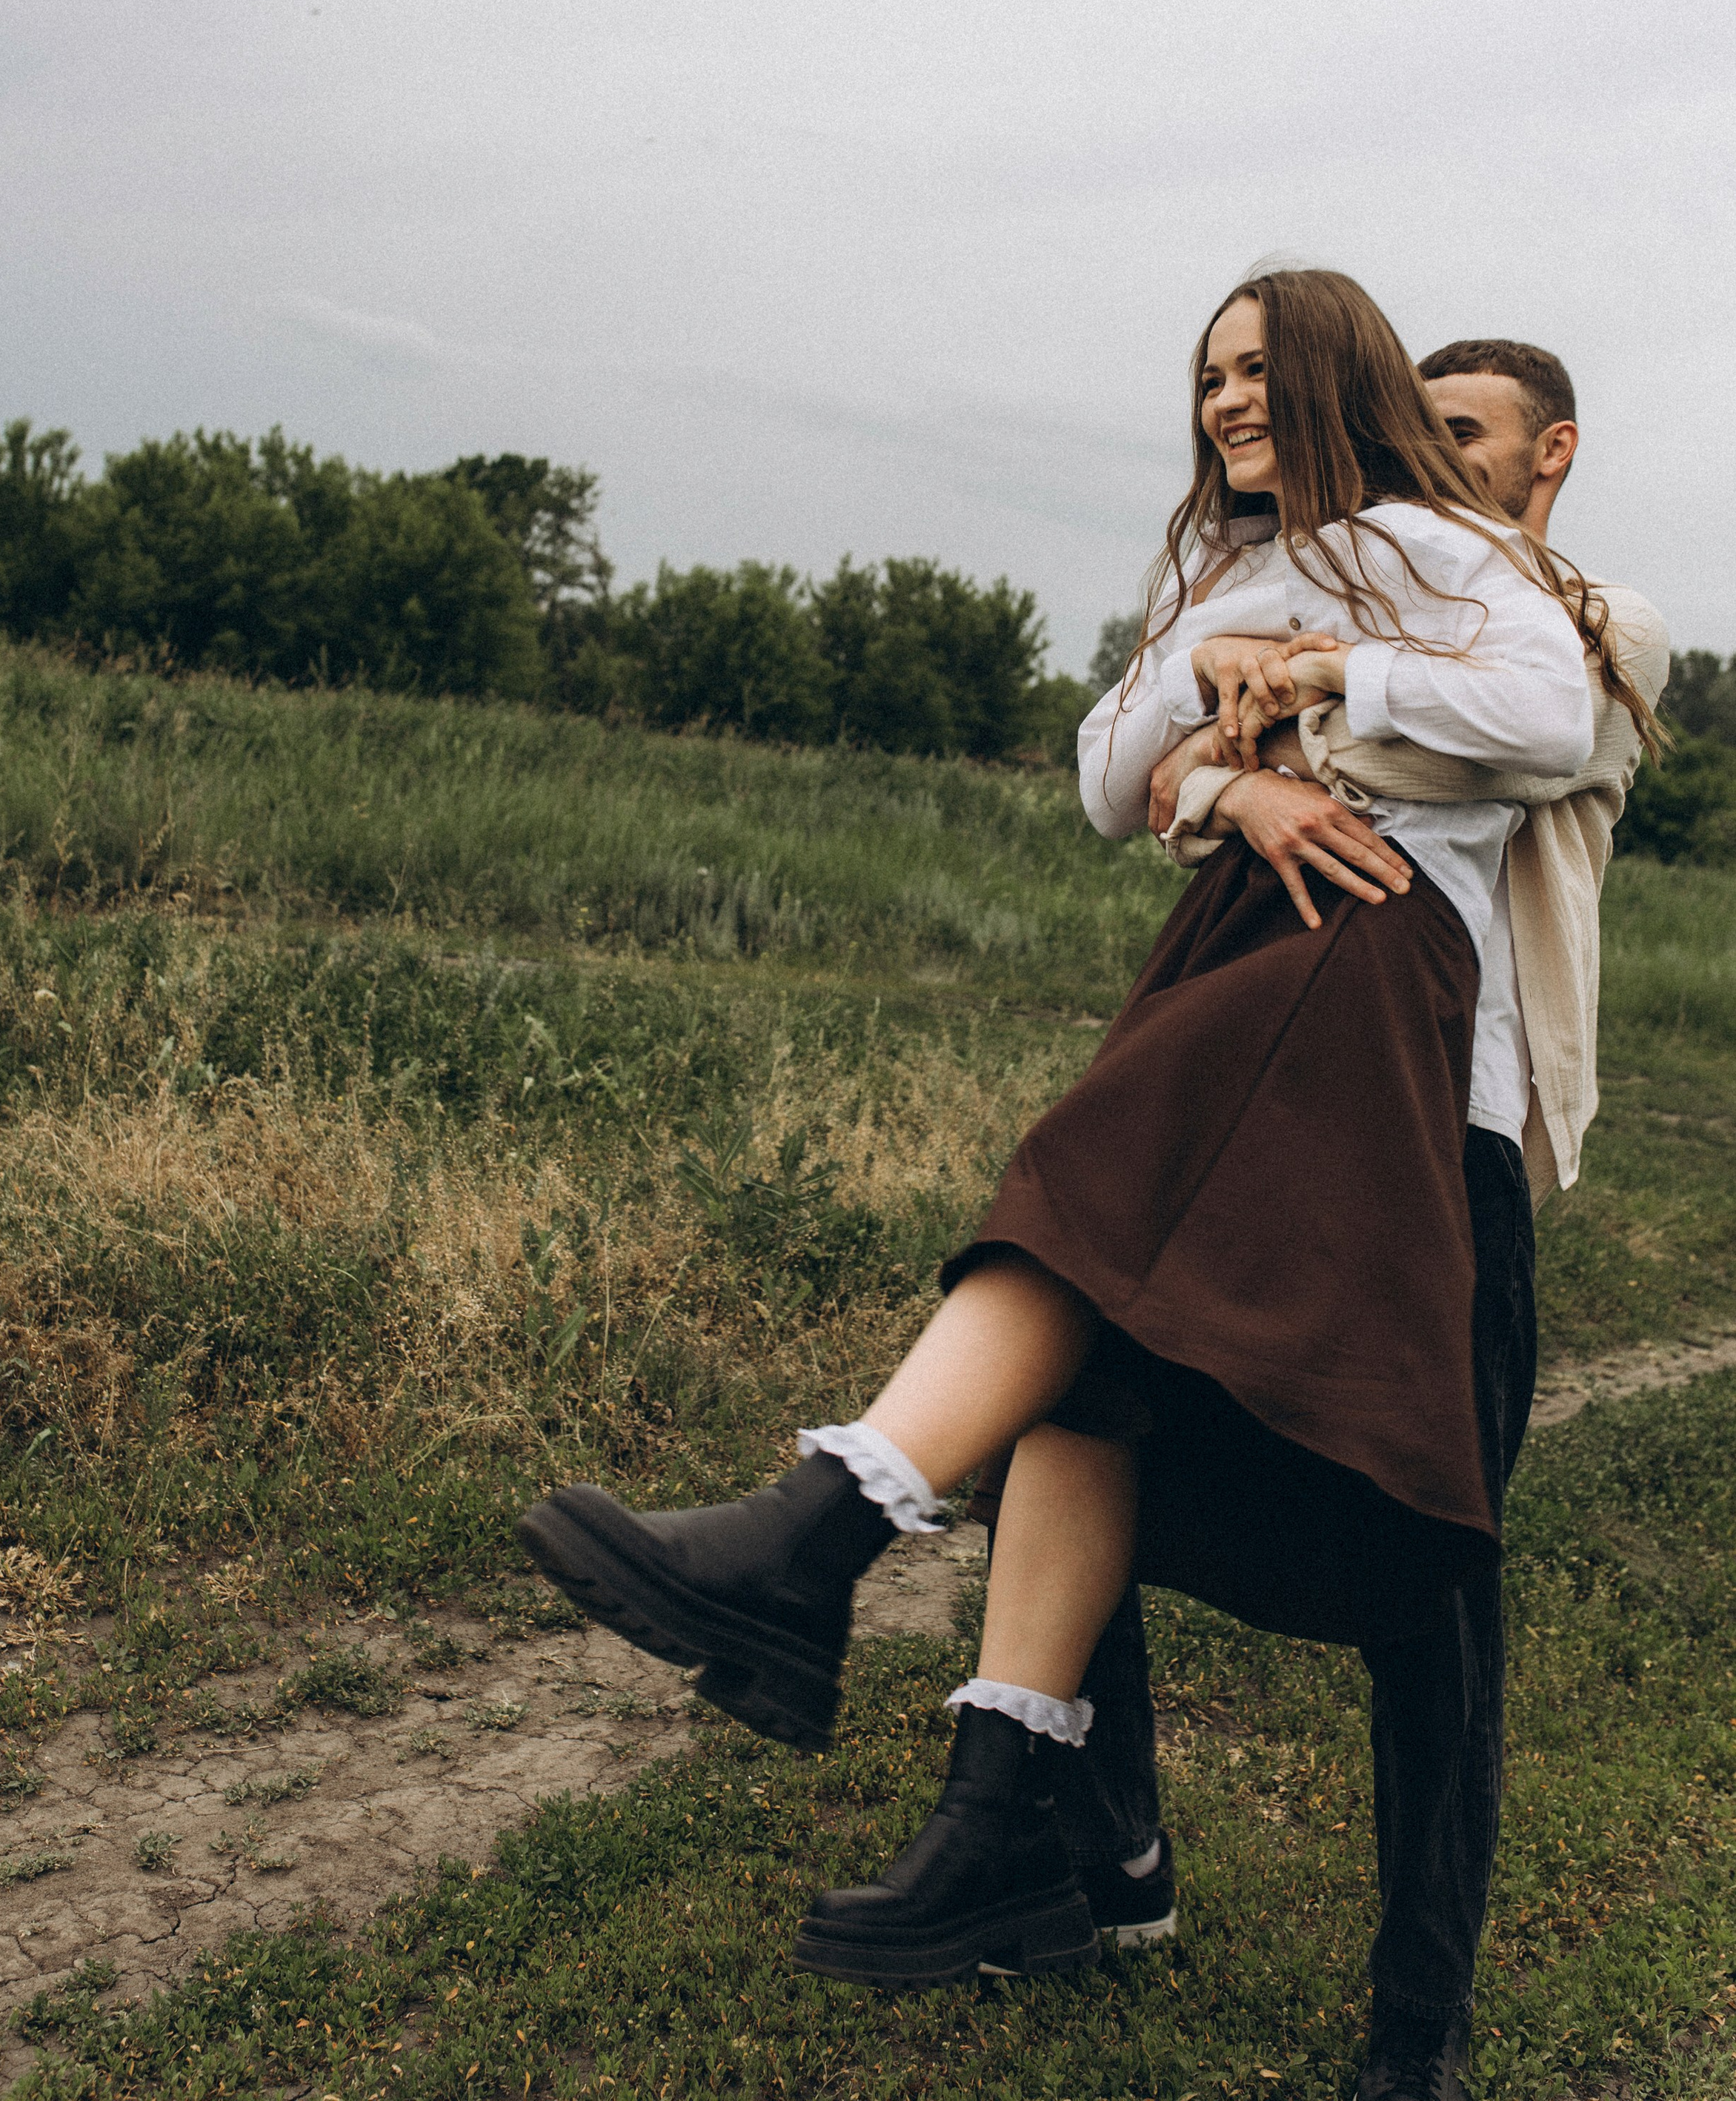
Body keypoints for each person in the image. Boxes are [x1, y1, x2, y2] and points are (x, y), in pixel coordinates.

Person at [516, 270, 1641, 2035]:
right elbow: (1105, 779)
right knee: (1083, 1346)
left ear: (1343, 376)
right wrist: (1218, 745)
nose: (1226, 404)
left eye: (1261, 370)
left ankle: (819, 1539)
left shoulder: (1438, 547)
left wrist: (1318, 676)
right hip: (1242, 945)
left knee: (1090, 1233)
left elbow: (1548, 724)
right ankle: (1008, 1813)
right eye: (1205, 378)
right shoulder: (1220, 561)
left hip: (1374, 993)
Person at [1055, 330, 1667, 2101]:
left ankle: (1420, 2018)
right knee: (1068, 1420)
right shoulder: (1351, 588)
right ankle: (1109, 1859)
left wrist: (1271, 695)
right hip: (1278, 1105)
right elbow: (1147, 773)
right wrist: (1219, 768)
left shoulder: (1593, 629)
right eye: (1402, 432)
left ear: (1543, 456)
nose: (1416, 469)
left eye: (1451, 436)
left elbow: (1439, 759)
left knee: (1433, 1585)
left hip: (1451, 1129)